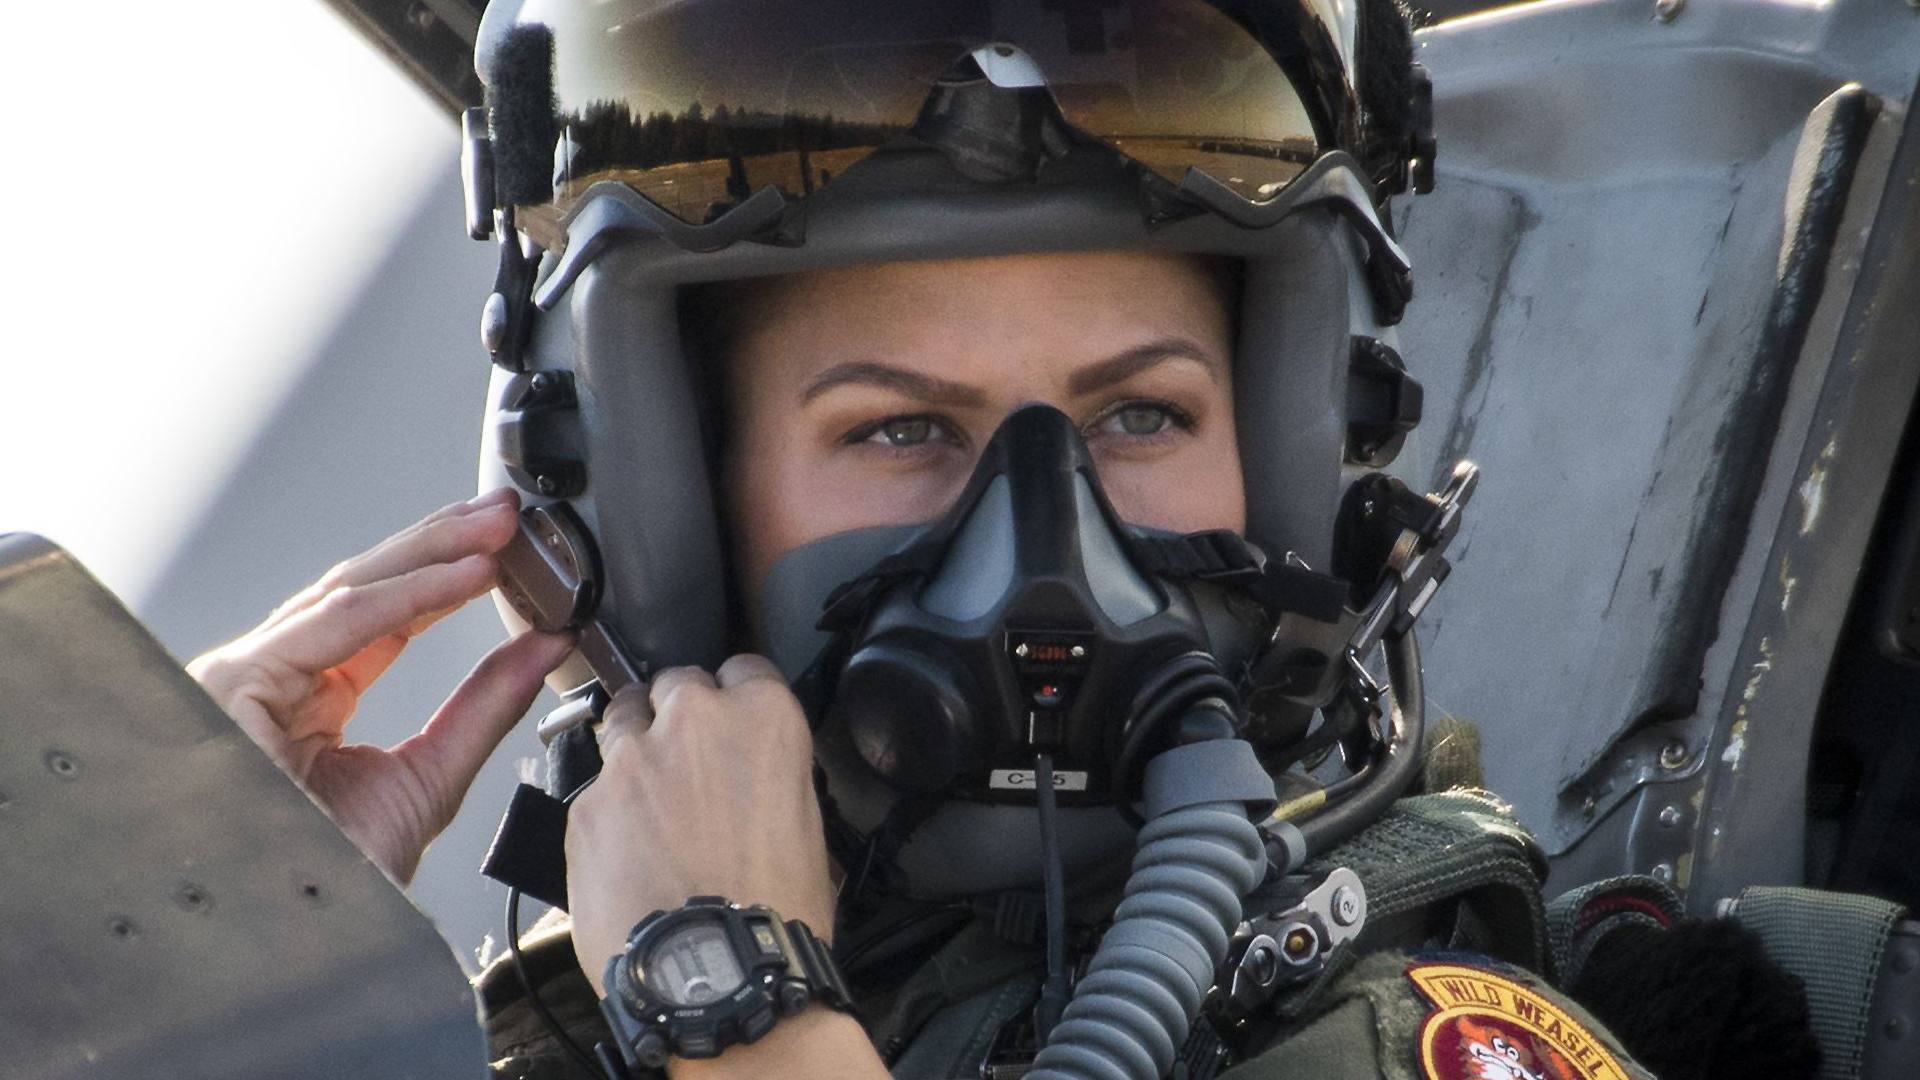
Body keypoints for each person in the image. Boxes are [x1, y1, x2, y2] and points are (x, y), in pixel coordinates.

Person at [187, 2, 1803, 1078]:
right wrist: (213, 981)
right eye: (901, 429)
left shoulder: (1414, 1037)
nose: (1047, 539)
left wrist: (739, 1010)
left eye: (1140, 416)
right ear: (665, 517)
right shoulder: (589, 1027)